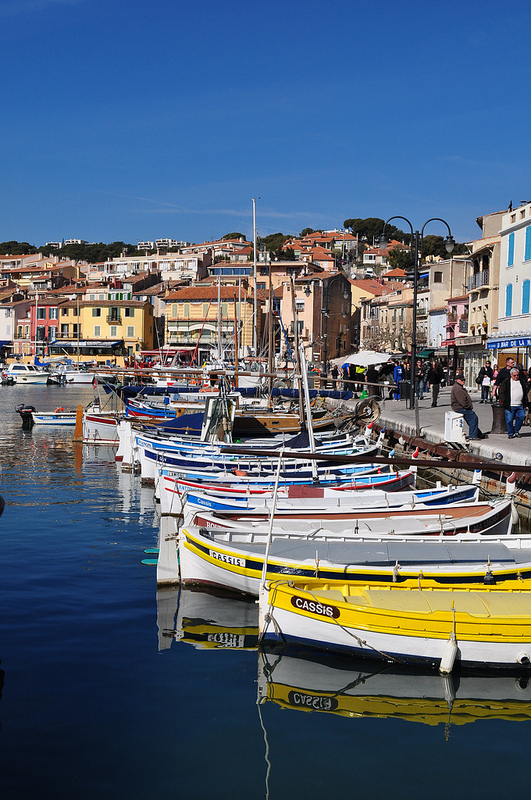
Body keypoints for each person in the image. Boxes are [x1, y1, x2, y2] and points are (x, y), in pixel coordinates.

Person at [451, 372, 485, 440]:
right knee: (473, 418)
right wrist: (468, 407)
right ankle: (473, 435)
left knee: (471, 419)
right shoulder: (458, 388)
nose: (463, 381)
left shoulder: (458, 387)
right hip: (460, 408)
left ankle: (478, 434)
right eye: (462, 380)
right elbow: (462, 401)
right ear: (457, 380)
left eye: (464, 380)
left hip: (460, 407)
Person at [498, 367, 529, 439]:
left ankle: (516, 431)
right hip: (510, 405)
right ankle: (510, 433)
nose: (516, 377)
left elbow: (525, 392)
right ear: (511, 375)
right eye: (514, 375)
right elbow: (502, 392)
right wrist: (504, 401)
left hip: (520, 404)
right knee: (509, 420)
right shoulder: (506, 382)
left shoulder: (521, 381)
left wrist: (526, 403)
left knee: (521, 418)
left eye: (517, 375)